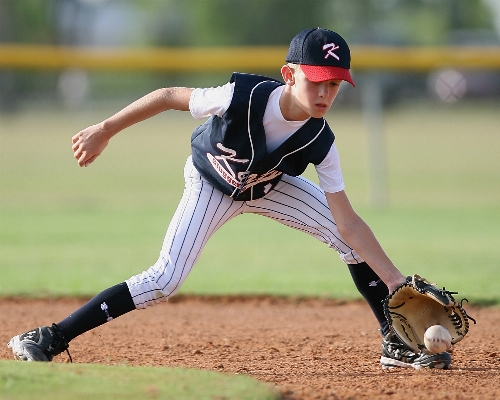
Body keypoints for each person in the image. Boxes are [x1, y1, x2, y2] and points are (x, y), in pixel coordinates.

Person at [7, 28, 451, 370]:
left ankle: (393, 341)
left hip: (268, 186)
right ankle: (48, 337)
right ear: (289, 75)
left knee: (346, 239)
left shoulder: (322, 140)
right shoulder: (242, 97)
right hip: (210, 182)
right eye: (316, 80)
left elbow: (349, 221)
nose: (324, 93)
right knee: (165, 278)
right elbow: (166, 97)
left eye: (334, 85)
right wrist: (104, 129)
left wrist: (395, 281)